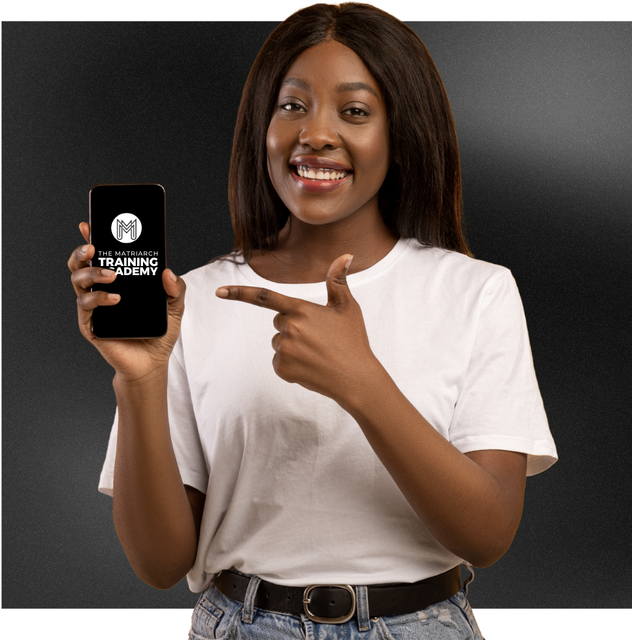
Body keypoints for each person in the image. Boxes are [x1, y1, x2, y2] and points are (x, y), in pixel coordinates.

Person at [69, 3, 557, 638]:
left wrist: (361, 382)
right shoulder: (193, 299)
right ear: (263, 127)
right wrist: (139, 379)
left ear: (400, 131)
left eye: (354, 111)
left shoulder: (476, 291)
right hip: (241, 624)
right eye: (292, 106)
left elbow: (489, 533)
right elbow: (159, 564)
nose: (316, 134)